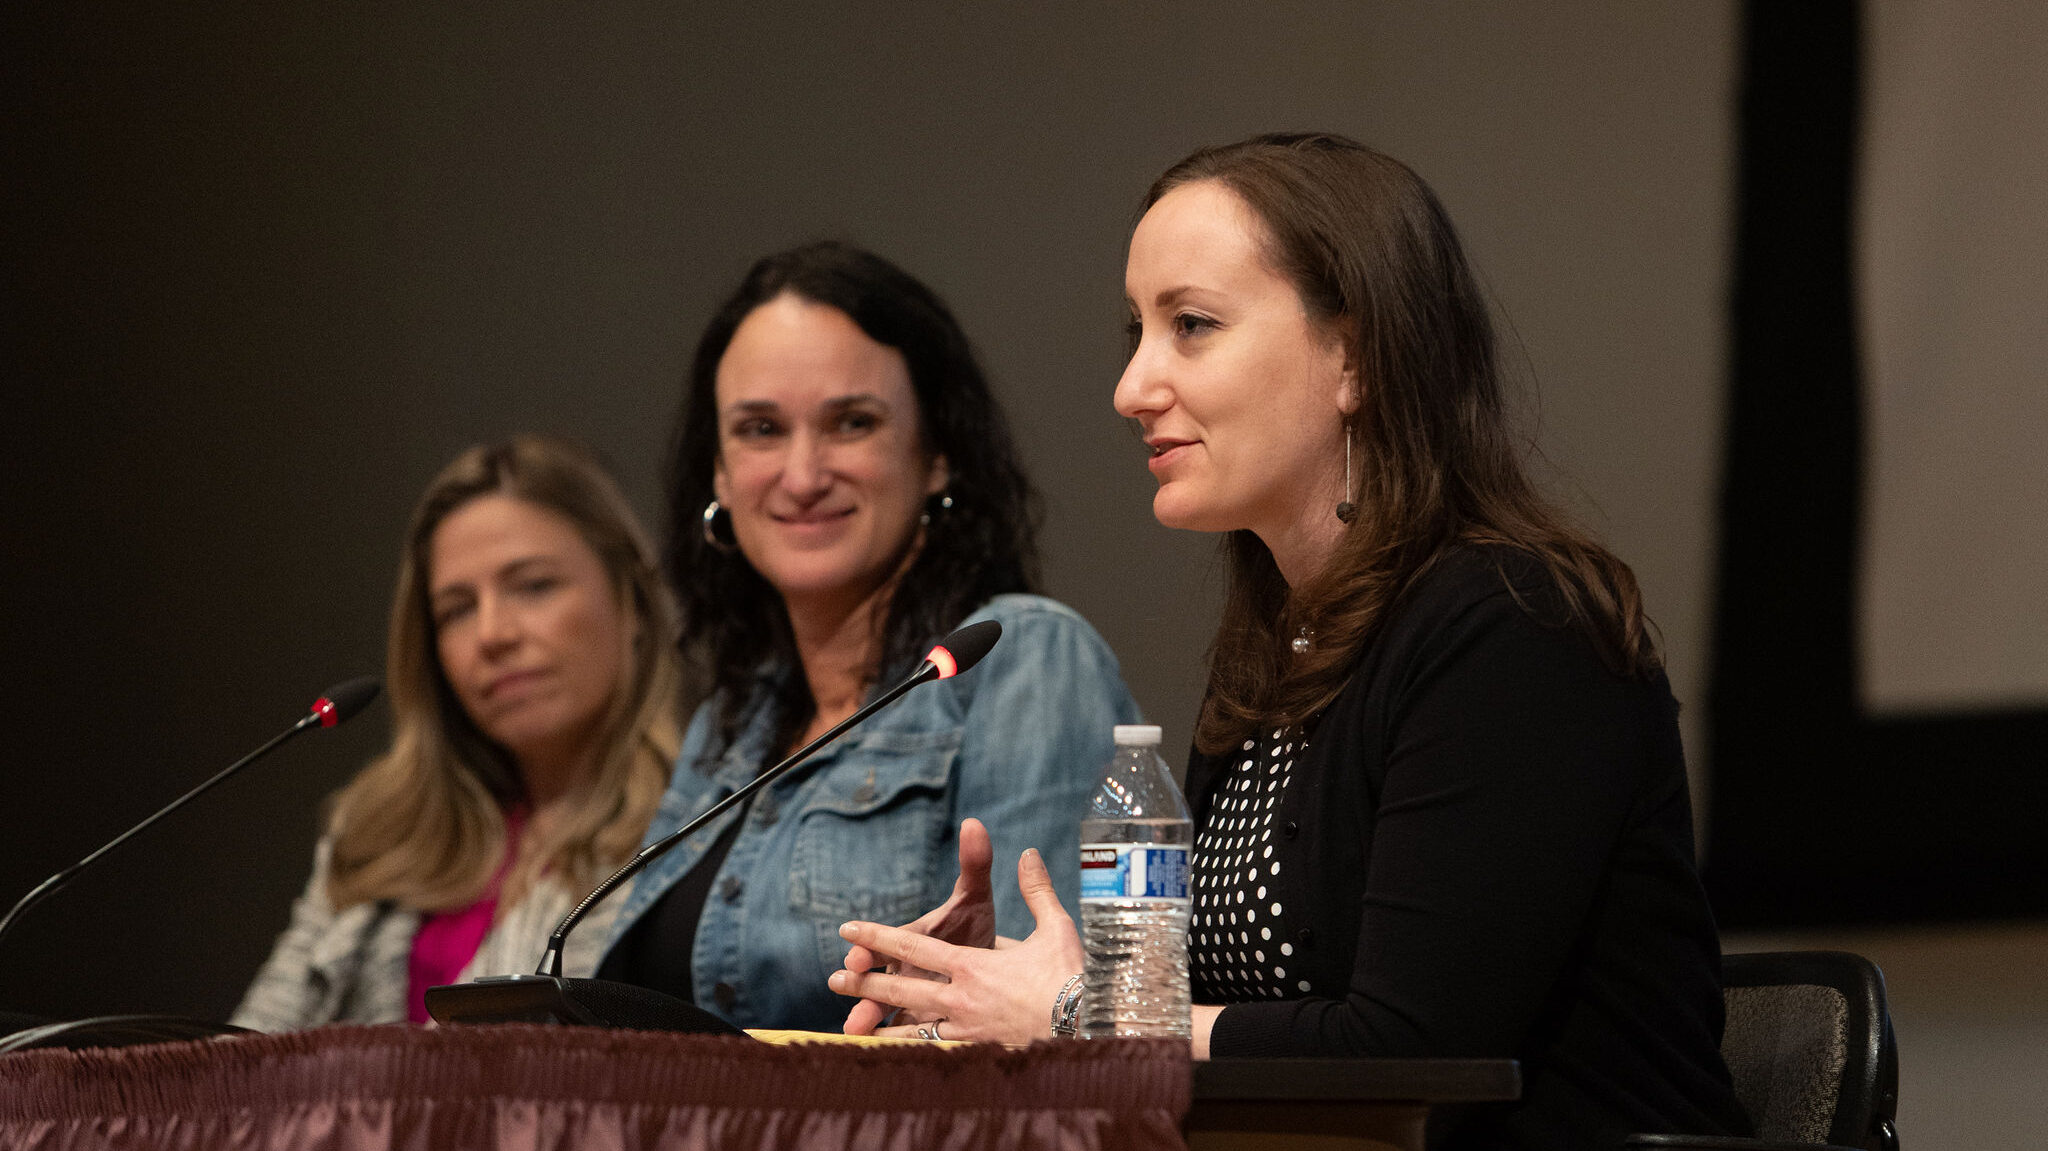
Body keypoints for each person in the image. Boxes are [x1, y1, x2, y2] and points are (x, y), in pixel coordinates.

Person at [831, 134, 1754, 1147]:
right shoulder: (1281, 649)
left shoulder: (1514, 627)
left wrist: (1072, 1014)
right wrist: (994, 986)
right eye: (1136, 331)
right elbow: (1238, 1021)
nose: (1131, 386)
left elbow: (1410, 1048)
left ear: (1356, 358)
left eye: (1190, 325)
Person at [592, 241, 1140, 1032]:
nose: (803, 474)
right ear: (719, 474)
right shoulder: (732, 720)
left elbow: (1046, 1025)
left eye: (852, 422)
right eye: (760, 429)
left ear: (938, 454)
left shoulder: (1025, 660)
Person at [234, 436, 684, 1030]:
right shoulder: (378, 830)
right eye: (457, 609)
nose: (492, 634)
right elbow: (249, 1049)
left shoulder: (691, 831)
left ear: (633, 604)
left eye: (533, 586)